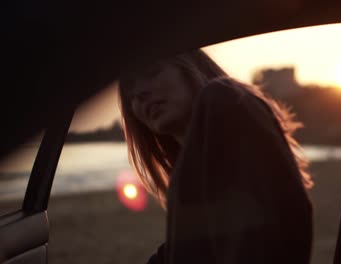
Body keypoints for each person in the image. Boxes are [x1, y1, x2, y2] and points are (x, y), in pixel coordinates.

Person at [118, 49, 313, 264]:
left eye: (151, 72)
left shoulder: (223, 99)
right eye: (129, 90)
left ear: (188, 66)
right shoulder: (196, 174)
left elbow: (256, 241)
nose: (139, 93)